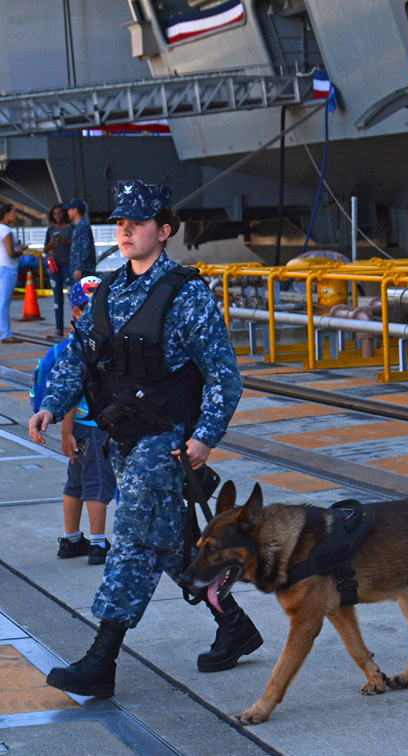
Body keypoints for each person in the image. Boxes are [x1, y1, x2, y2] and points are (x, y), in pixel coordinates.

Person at [29, 180, 262, 699]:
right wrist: (52, 404)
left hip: (167, 443)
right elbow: (76, 358)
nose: (126, 229)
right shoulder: (108, 289)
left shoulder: (186, 294)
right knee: (168, 546)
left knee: (132, 543)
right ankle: (235, 627)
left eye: (138, 221)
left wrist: (204, 438)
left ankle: (101, 661)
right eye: (120, 222)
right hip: (122, 442)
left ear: (164, 230)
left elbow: (225, 375)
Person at [57, 276, 115, 565]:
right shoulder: (88, 345)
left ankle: (70, 539)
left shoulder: (75, 341)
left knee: (76, 483)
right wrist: (66, 432)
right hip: (91, 428)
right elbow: (71, 393)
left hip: (78, 428)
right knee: (98, 484)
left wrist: (68, 433)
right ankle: (98, 543)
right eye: (88, 307)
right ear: (77, 312)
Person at [44, 204, 74, 339]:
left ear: (65, 214)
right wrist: (50, 245)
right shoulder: (50, 230)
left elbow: (77, 245)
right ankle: (59, 328)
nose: (58, 217)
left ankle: (76, 326)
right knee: (57, 298)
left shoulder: (72, 229)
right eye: (55, 214)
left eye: (60, 214)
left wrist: (65, 241)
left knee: (72, 296)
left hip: (68, 265)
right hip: (54, 266)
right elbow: (44, 250)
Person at [0, 203, 25, 344]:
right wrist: (21, 250)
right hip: (8, 269)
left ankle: (4, 332)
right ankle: (6, 334)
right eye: (14, 212)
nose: (15, 215)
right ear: (6, 213)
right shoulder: (6, 230)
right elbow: (11, 253)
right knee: (4, 303)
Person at [65, 199, 96, 283]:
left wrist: (79, 268)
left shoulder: (82, 227)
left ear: (75, 210)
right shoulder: (80, 226)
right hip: (82, 270)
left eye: (69, 210)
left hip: (83, 271)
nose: (68, 212)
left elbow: (84, 249)